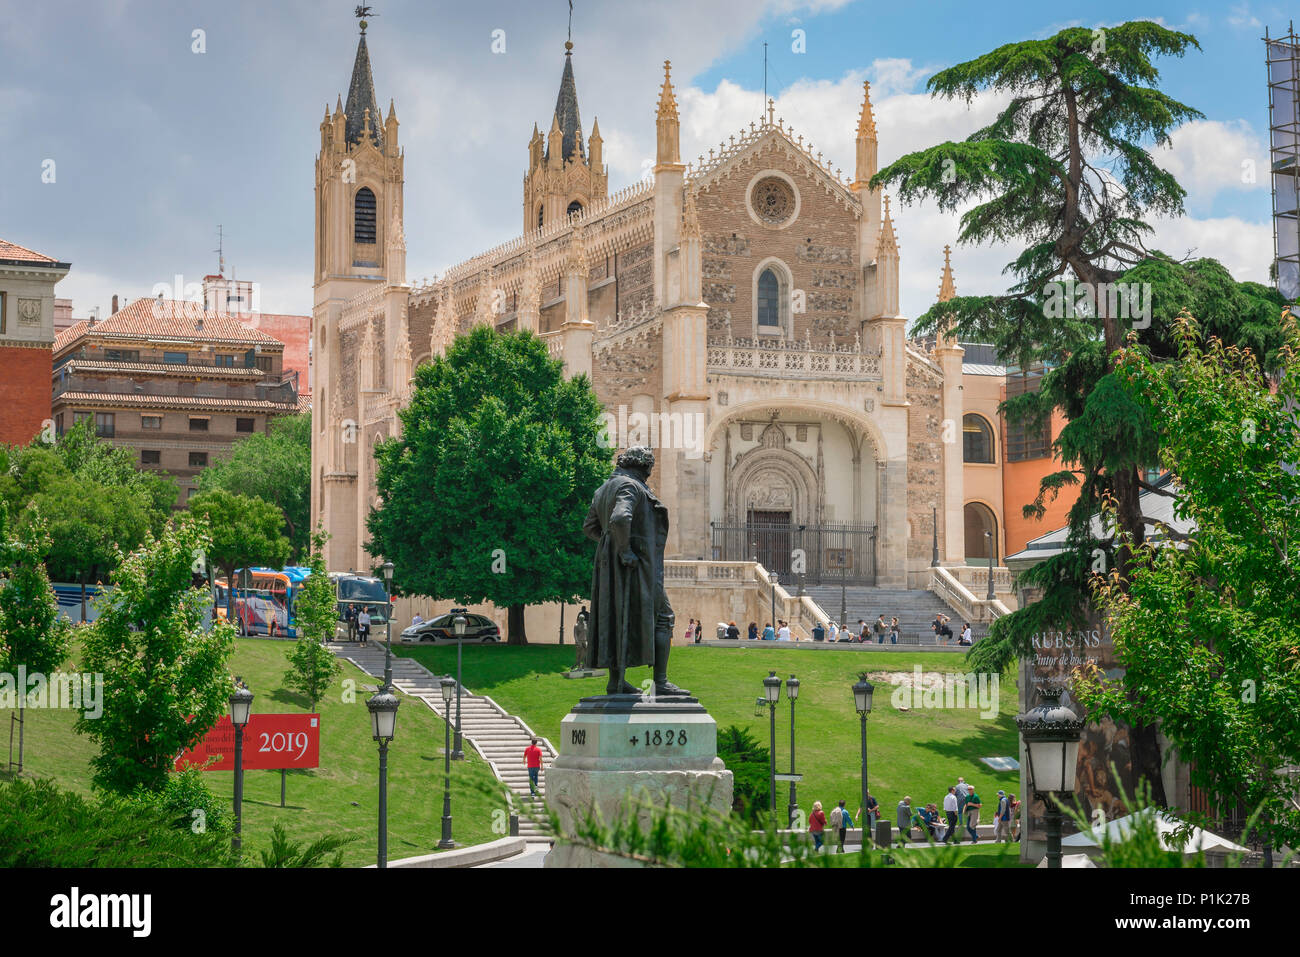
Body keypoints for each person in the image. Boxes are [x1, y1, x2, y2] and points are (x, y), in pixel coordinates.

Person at [581, 446, 689, 696]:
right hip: (636, 567)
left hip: (611, 568)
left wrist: (611, 545)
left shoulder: (602, 489)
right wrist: (625, 549)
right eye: (649, 468)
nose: (650, 474)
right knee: (664, 617)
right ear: (643, 466)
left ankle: (616, 681)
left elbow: (589, 528)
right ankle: (660, 682)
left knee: (618, 618)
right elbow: (620, 518)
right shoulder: (630, 486)